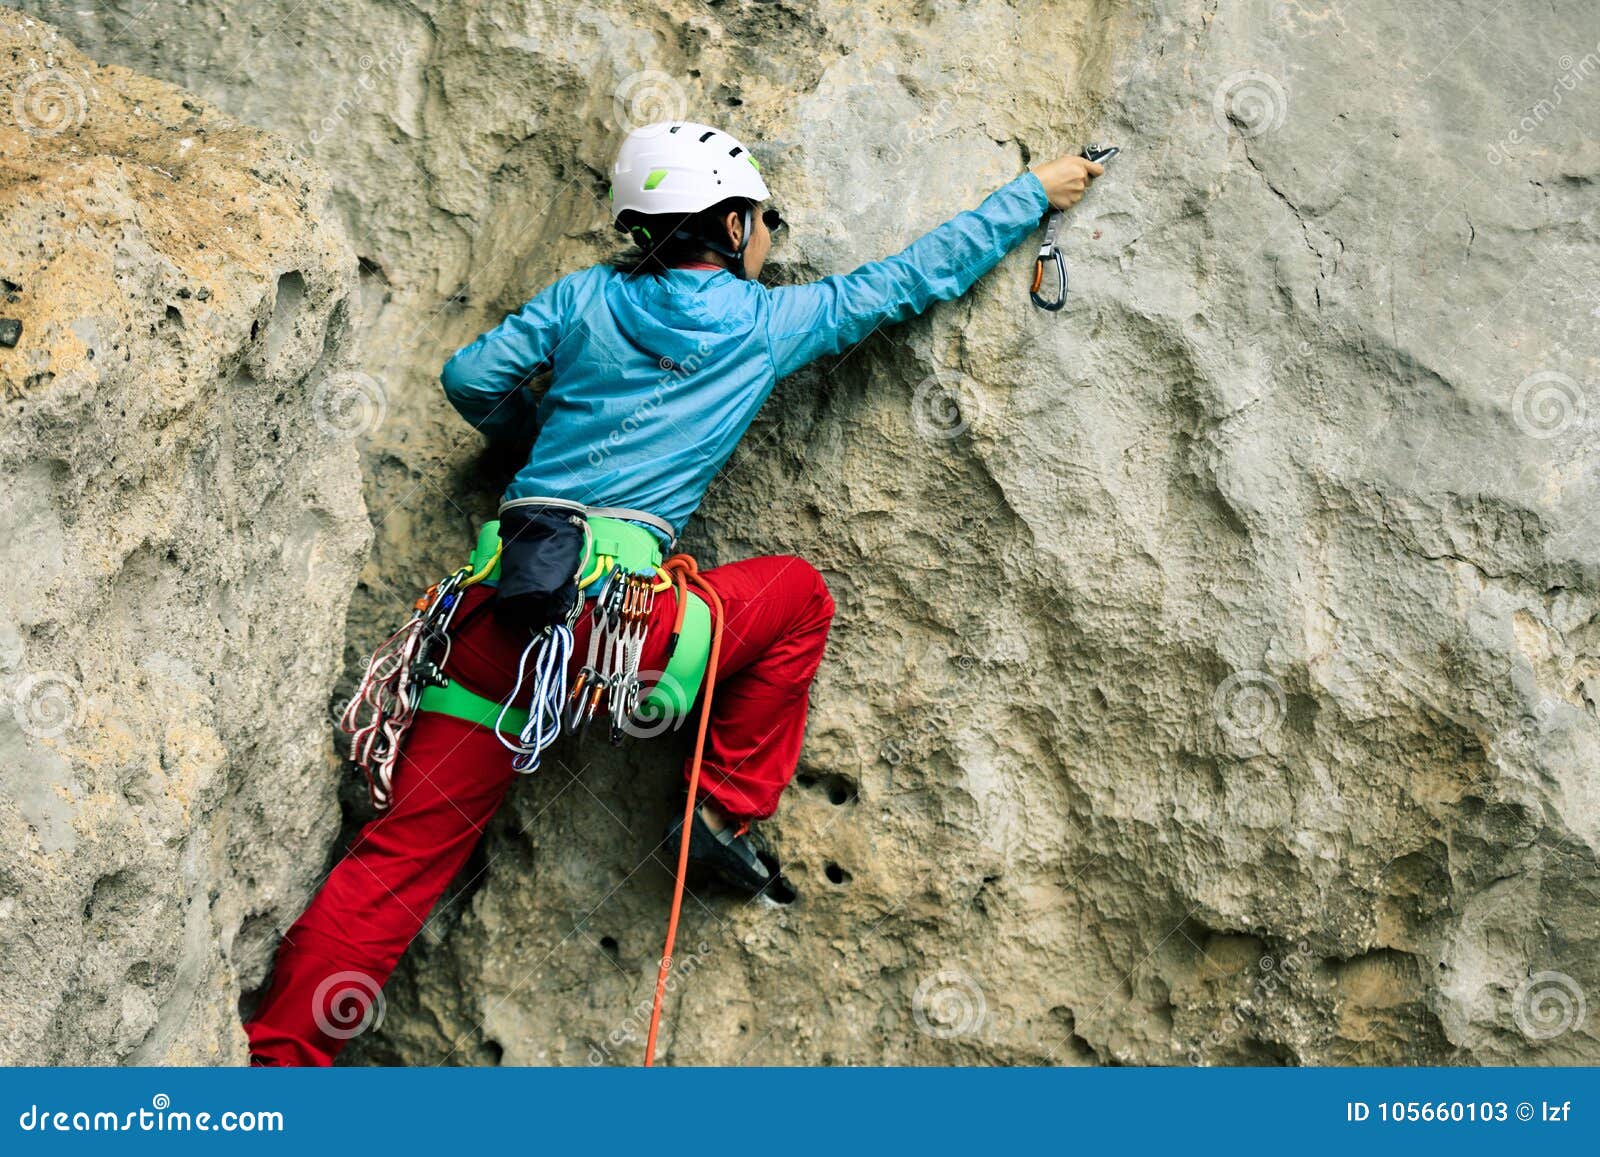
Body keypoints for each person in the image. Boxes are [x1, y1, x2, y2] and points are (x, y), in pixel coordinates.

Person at [244, 121, 1102, 1066]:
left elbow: (469, 376)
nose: (770, 234)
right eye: (763, 218)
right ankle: (723, 807)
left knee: (400, 860)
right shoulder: (766, 322)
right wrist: (1031, 194)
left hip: (499, 611)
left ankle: (277, 1069)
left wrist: (526, 438)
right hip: (626, 633)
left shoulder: (584, 297)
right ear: (732, 226)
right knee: (800, 595)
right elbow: (906, 281)